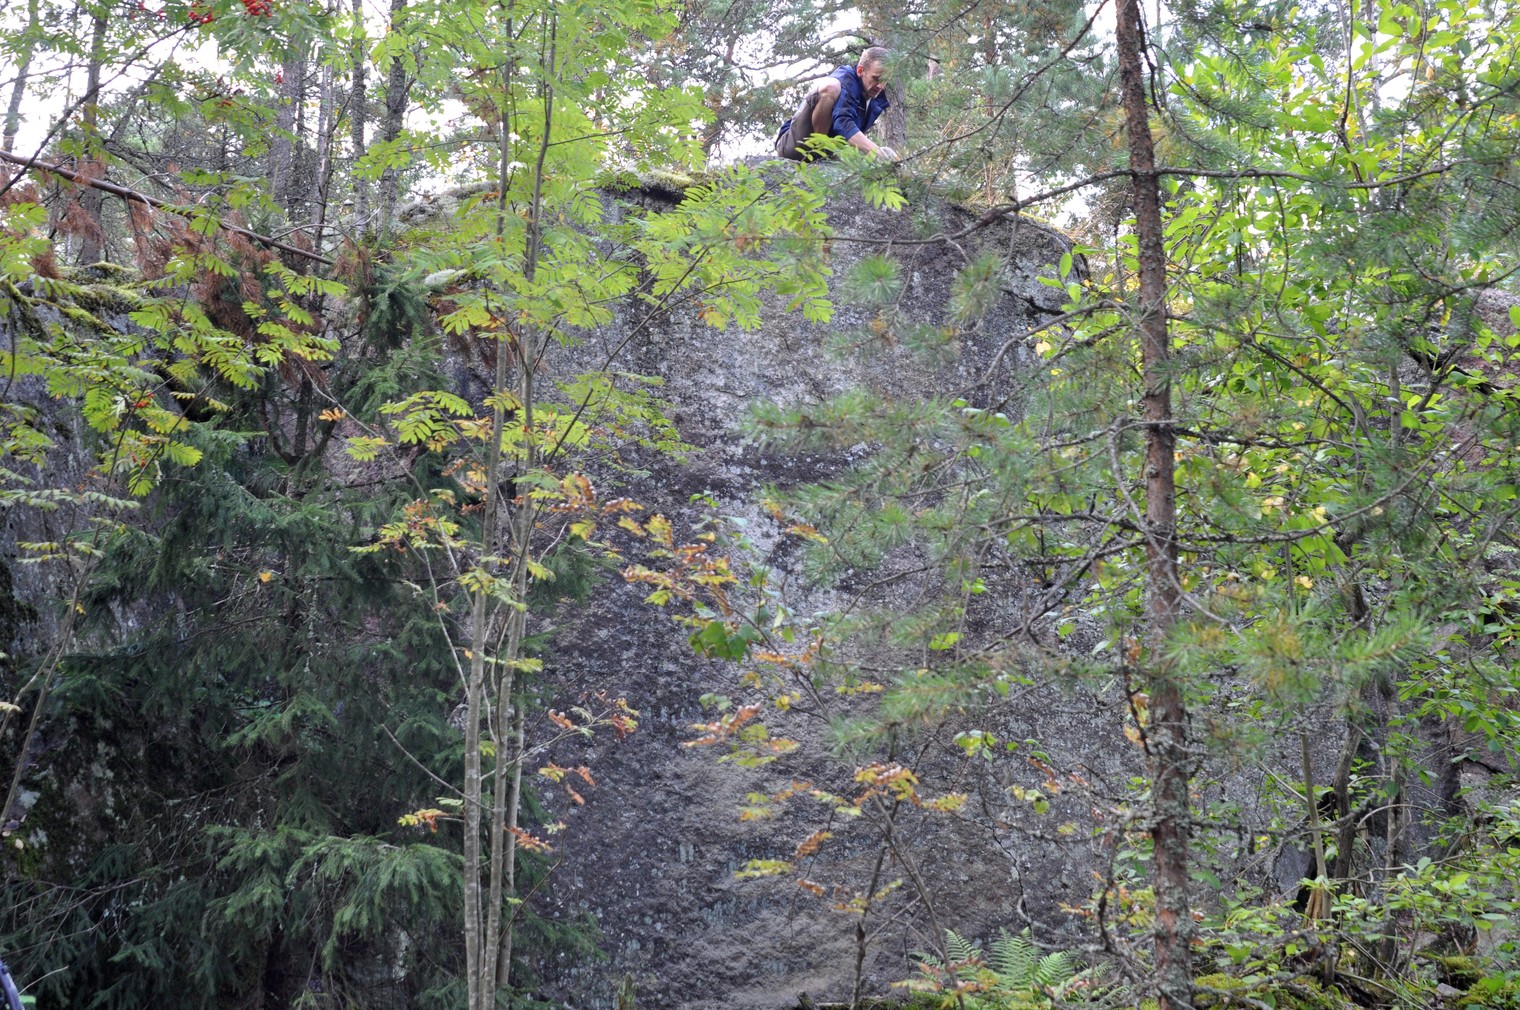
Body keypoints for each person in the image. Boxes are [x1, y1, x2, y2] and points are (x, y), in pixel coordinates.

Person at [775, 47, 900, 163]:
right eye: (876, 78)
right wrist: (876, 152)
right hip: (794, 145)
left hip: (831, 151)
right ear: (860, 70)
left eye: (885, 79)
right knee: (831, 87)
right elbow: (843, 123)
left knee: (888, 154)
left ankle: (825, 157)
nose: (881, 86)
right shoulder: (846, 78)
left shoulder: (874, 97)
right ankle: (819, 153)